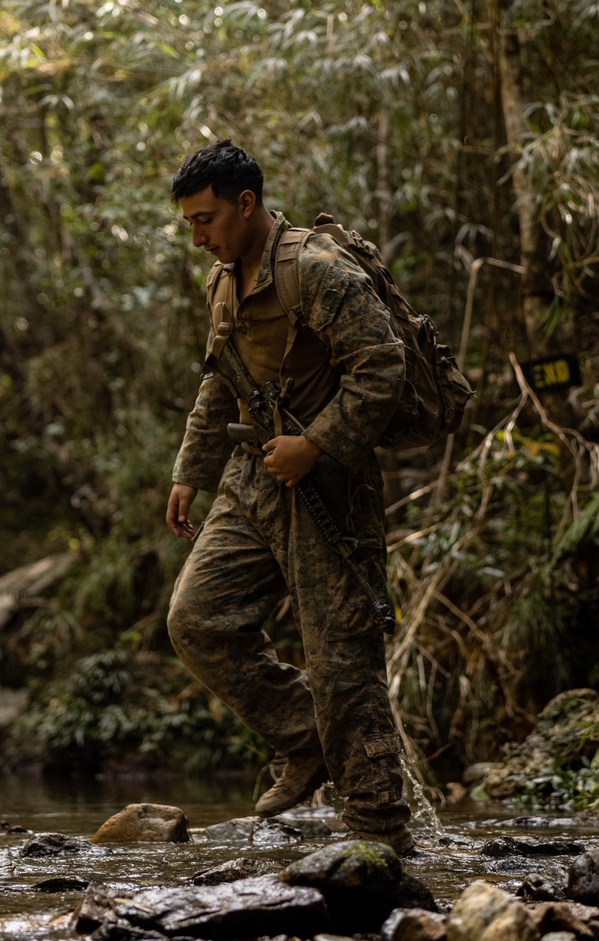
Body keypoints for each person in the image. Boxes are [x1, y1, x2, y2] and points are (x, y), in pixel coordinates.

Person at [164, 139, 413, 850]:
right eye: (188, 222)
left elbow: (383, 365)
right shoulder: (221, 279)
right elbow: (220, 379)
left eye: (206, 218)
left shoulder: (317, 270)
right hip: (253, 479)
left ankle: (378, 832)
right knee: (197, 619)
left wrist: (316, 444)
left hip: (329, 483)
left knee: (342, 658)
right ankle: (304, 739)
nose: (198, 234)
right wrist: (191, 470)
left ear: (247, 204)